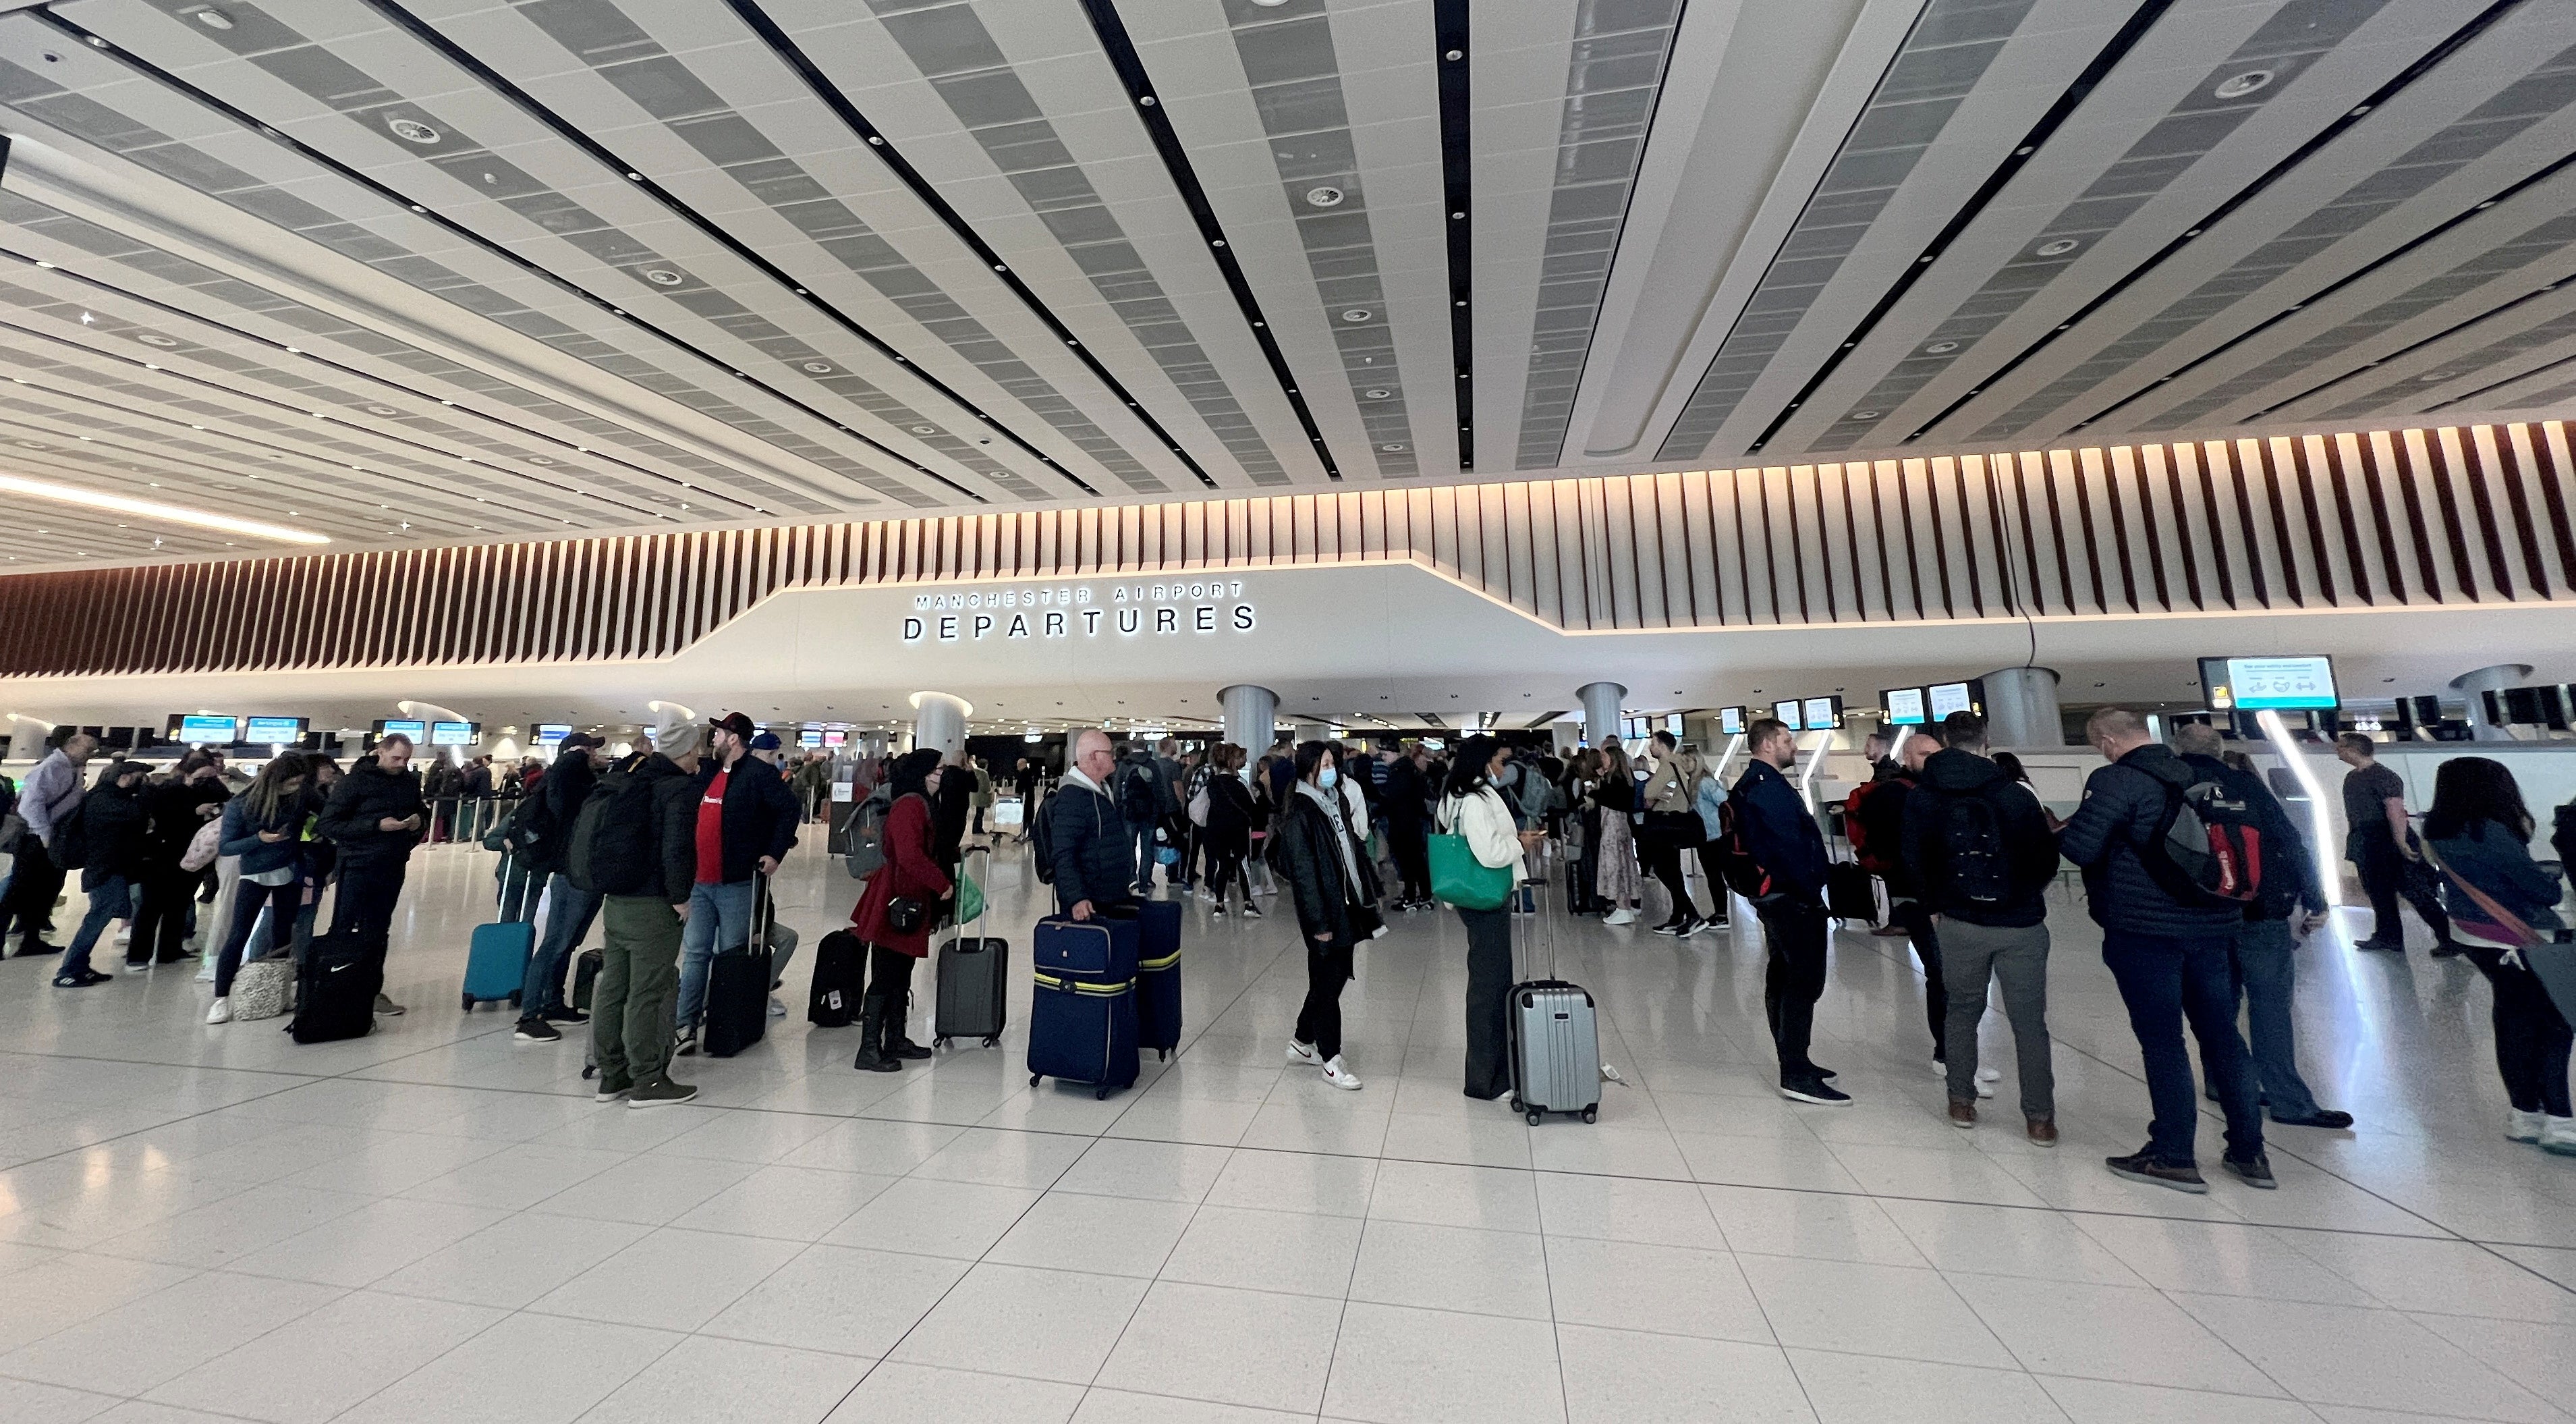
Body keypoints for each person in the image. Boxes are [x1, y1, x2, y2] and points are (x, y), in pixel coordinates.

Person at [2059, 708, 2269, 1193]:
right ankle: (2249, 1153)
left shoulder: (2116, 779)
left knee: (2163, 1041)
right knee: (2223, 1036)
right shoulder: (2202, 774)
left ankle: (2174, 1155)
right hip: (2214, 924)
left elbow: (2082, 850)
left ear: (2109, 741)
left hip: (2145, 930)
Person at [2166, 724, 2354, 1131]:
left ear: (2176, 749)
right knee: (2270, 1006)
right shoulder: (2245, 784)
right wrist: (2315, 898)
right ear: (2219, 751)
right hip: (2260, 910)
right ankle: (2289, 1101)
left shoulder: (2169, 784)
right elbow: (2290, 840)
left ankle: (2223, 1083)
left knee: (2217, 1005)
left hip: (2200, 917)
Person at [1903, 711, 2059, 1140]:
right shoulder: (2013, 793)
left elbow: (1914, 859)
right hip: (2022, 924)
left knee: (1961, 1012)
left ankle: (1961, 1103)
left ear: (1945, 741)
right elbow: (2045, 857)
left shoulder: (1924, 796)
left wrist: (1935, 906)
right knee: (2030, 1023)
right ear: (1985, 740)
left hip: (1959, 921)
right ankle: (2040, 1119)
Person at [2422, 757, 2573, 1152]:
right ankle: (2559, 1122)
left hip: (2473, 933)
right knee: (2555, 1024)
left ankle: (2525, 1115)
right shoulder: (2489, 831)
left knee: (2512, 1018)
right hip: (2518, 935)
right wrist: (2549, 878)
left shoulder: (2438, 830)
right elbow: (2543, 892)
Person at [588, 719, 706, 1107]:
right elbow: (676, 848)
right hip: (653, 907)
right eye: (696, 751)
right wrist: (681, 897)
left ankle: (611, 1075)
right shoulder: (679, 789)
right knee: (648, 992)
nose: (698, 757)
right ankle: (648, 1080)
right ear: (687, 752)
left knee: (613, 989)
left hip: (617, 901)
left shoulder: (632, 777)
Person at [673, 713, 800, 1056]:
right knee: (697, 953)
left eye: (718, 733)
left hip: (737, 883)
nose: (712, 738)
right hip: (699, 882)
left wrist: (774, 852)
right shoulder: (707, 772)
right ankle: (685, 1024)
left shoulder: (759, 775)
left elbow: (790, 809)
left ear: (733, 739)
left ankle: (724, 1022)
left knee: (730, 955)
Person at [1733, 718, 1843, 1104]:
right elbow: (1789, 847)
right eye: (1786, 739)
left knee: (1783, 974)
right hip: (1790, 899)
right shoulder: (1768, 790)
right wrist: (1811, 890)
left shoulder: (1756, 784)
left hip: (1776, 897)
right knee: (1804, 981)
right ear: (1766, 745)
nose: (1792, 746)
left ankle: (1795, 1058)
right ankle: (1795, 1072)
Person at [1439, 736, 1547, 1099]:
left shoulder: (1460, 797)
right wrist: (1520, 844)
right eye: (1499, 761)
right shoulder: (1473, 801)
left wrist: (1514, 836)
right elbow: (1487, 853)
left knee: (1493, 983)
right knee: (1489, 988)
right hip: (1485, 900)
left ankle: (1497, 1072)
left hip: (1478, 899)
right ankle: (1486, 1080)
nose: (1503, 769)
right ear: (1484, 762)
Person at [848, 749, 953, 1072]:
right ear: (924, 773)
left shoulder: (918, 802)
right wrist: (941, 883)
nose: (942, 775)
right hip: (898, 898)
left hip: (905, 898)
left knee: (899, 972)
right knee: (886, 974)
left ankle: (894, 1039)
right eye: (939, 769)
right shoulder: (910, 804)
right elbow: (908, 855)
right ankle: (869, 1049)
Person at [1853, 733, 1951, 1068]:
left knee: (1950, 975)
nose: (1932, 760)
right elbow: (1889, 844)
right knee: (1940, 973)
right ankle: (1946, 1053)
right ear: (1907, 758)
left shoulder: (1934, 789)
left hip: (1938, 896)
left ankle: (1953, 1050)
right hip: (1917, 897)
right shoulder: (1896, 795)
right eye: (1925, 754)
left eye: (1936, 753)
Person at [1272, 740, 1366, 1090]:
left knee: (1335, 977)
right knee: (1327, 986)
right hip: (1324, 912)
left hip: (1344, 904)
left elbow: (1349, 849)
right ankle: (1331, 1060)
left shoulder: (1333, 802)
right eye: (1325, 763)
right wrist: (1320, 924)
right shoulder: (1301, 812)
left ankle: (1301, 1040)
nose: (1332, 769)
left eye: (1334, 763)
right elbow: (1304, 874)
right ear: (1309, 767)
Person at [318, 733, 428, 1016]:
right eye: (396, 758)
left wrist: (415, 826)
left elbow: (420, 814)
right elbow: (329, 824)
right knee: (344, 927)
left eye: (406, 759)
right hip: (357, 865)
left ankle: (370, 990)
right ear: (380, 752)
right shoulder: (354, 782)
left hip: (392, 864)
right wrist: (375, 825)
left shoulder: (409, 783)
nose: (401, 764)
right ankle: (333, 989)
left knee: (378, 929)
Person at [513, 733, 608, 1043]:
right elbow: (560, 782)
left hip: (586, 874)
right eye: (589, 748)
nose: (595, 753)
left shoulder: (581, 785)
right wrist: (576, 755)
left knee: (567, 943)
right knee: (554, 942)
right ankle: (529, 1017)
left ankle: (553, 1002)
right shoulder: (563, 780)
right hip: (570, 874)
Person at [2334, 732, 2460, 955]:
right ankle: (2388, 936)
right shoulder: (2353, 778)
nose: (2337, 750)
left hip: (2386, 841)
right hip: (2368, 842)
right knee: (2378, 892)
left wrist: (2400, 842)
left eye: (2341, 747)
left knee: (2414, 891)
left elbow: (2395, 810)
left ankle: (2448, 938)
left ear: (2354, 749)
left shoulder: (2383, 776)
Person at [204, 754, 308, 1022]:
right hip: (254, 874)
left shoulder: (298, 798)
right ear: (277, 781)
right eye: (291, 783)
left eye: (299, 783)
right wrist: (259, 839)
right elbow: (227, 846)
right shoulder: (242, 804)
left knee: (284, 933)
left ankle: (280, 990)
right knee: (239, 934)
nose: (295, 788)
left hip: (289, 871)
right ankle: (221, 998)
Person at [54, 757, 150, 987]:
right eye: (140, 778)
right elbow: (135, 816)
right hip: (105, 870)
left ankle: (80, 967)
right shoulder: (103, 800)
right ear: (124, 778)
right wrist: (147, 797)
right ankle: (67, 971)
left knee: (98, 918)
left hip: (111, 868)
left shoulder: (111, 798)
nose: (143, 783)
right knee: (96, 919)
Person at [5, 730, 96, 957]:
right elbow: (30, 805)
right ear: (71, 746)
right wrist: (45, 835)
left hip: (54, 838)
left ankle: (31, 939)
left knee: (46, 890)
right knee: (20, 889)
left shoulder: (73, 769)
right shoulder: (50, 768)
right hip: (37, 840)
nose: (90, 755)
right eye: (87, 750)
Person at [130, 753, 225, 971]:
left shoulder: (204, 790)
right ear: (189, 773)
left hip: (189, 855)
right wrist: (194, 811)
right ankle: (138, 955)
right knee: (151, 906)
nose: (207, 780)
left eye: (211, 776)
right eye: (202, 776)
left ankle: (169, 950)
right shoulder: (169, 790)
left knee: (179, 904)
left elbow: (224, 795)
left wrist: (212, 780)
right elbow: (163, 816)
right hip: (163, 854)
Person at [1048, 730, 1134, 920]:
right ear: (1094, 756)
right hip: (1091, 904)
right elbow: (1064, 853)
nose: (1114, 757)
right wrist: (1077, 898)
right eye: (1109, 752)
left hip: (1109, 898)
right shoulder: (1072, 797)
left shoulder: (1100, 790)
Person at [1638, 731, 1711, 936]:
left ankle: (1693, 914)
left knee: (1664, 870)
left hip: (1666, 824)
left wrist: (1652, 792)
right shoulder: (1679, 764)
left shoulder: (1668, 764)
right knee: (1672, 870)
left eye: (1653, 743)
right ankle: (1678, 916)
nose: (1650, 747)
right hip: (1674, 822)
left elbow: (1649, 793)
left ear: (1662, 746)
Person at [1202, 743, 1264, 919]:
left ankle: (1219, 905)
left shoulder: (1212, 783)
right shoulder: (1239, 783)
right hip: (1238, 830)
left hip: (1217, 829)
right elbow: (1251, 807)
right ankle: (1248, 904)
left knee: (1222, 866)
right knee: (1243, 865)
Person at [1592, 740, 1643, 926]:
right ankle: (1625, 905)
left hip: (1613, 827)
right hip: (1621, 826)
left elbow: (1612, 800)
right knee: (1624, 864)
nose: (1602, 759)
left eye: (1604, 756)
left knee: (1615, 866)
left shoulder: (1615, 780)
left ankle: (1622, 907)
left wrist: (1594, 793)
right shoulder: (1624, 778)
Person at [1379, 742, 1432, 910]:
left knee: (1407, 861)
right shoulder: (1407, 769)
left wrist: (1378, 810)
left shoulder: (1400, 772)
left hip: (1402, 823)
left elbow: (1393, 798)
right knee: (1416, 860)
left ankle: (1410, 897)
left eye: (1386, 754)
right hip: (1411, 822)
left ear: (1396, 754)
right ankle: (1424, 895)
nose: (1383, 758)